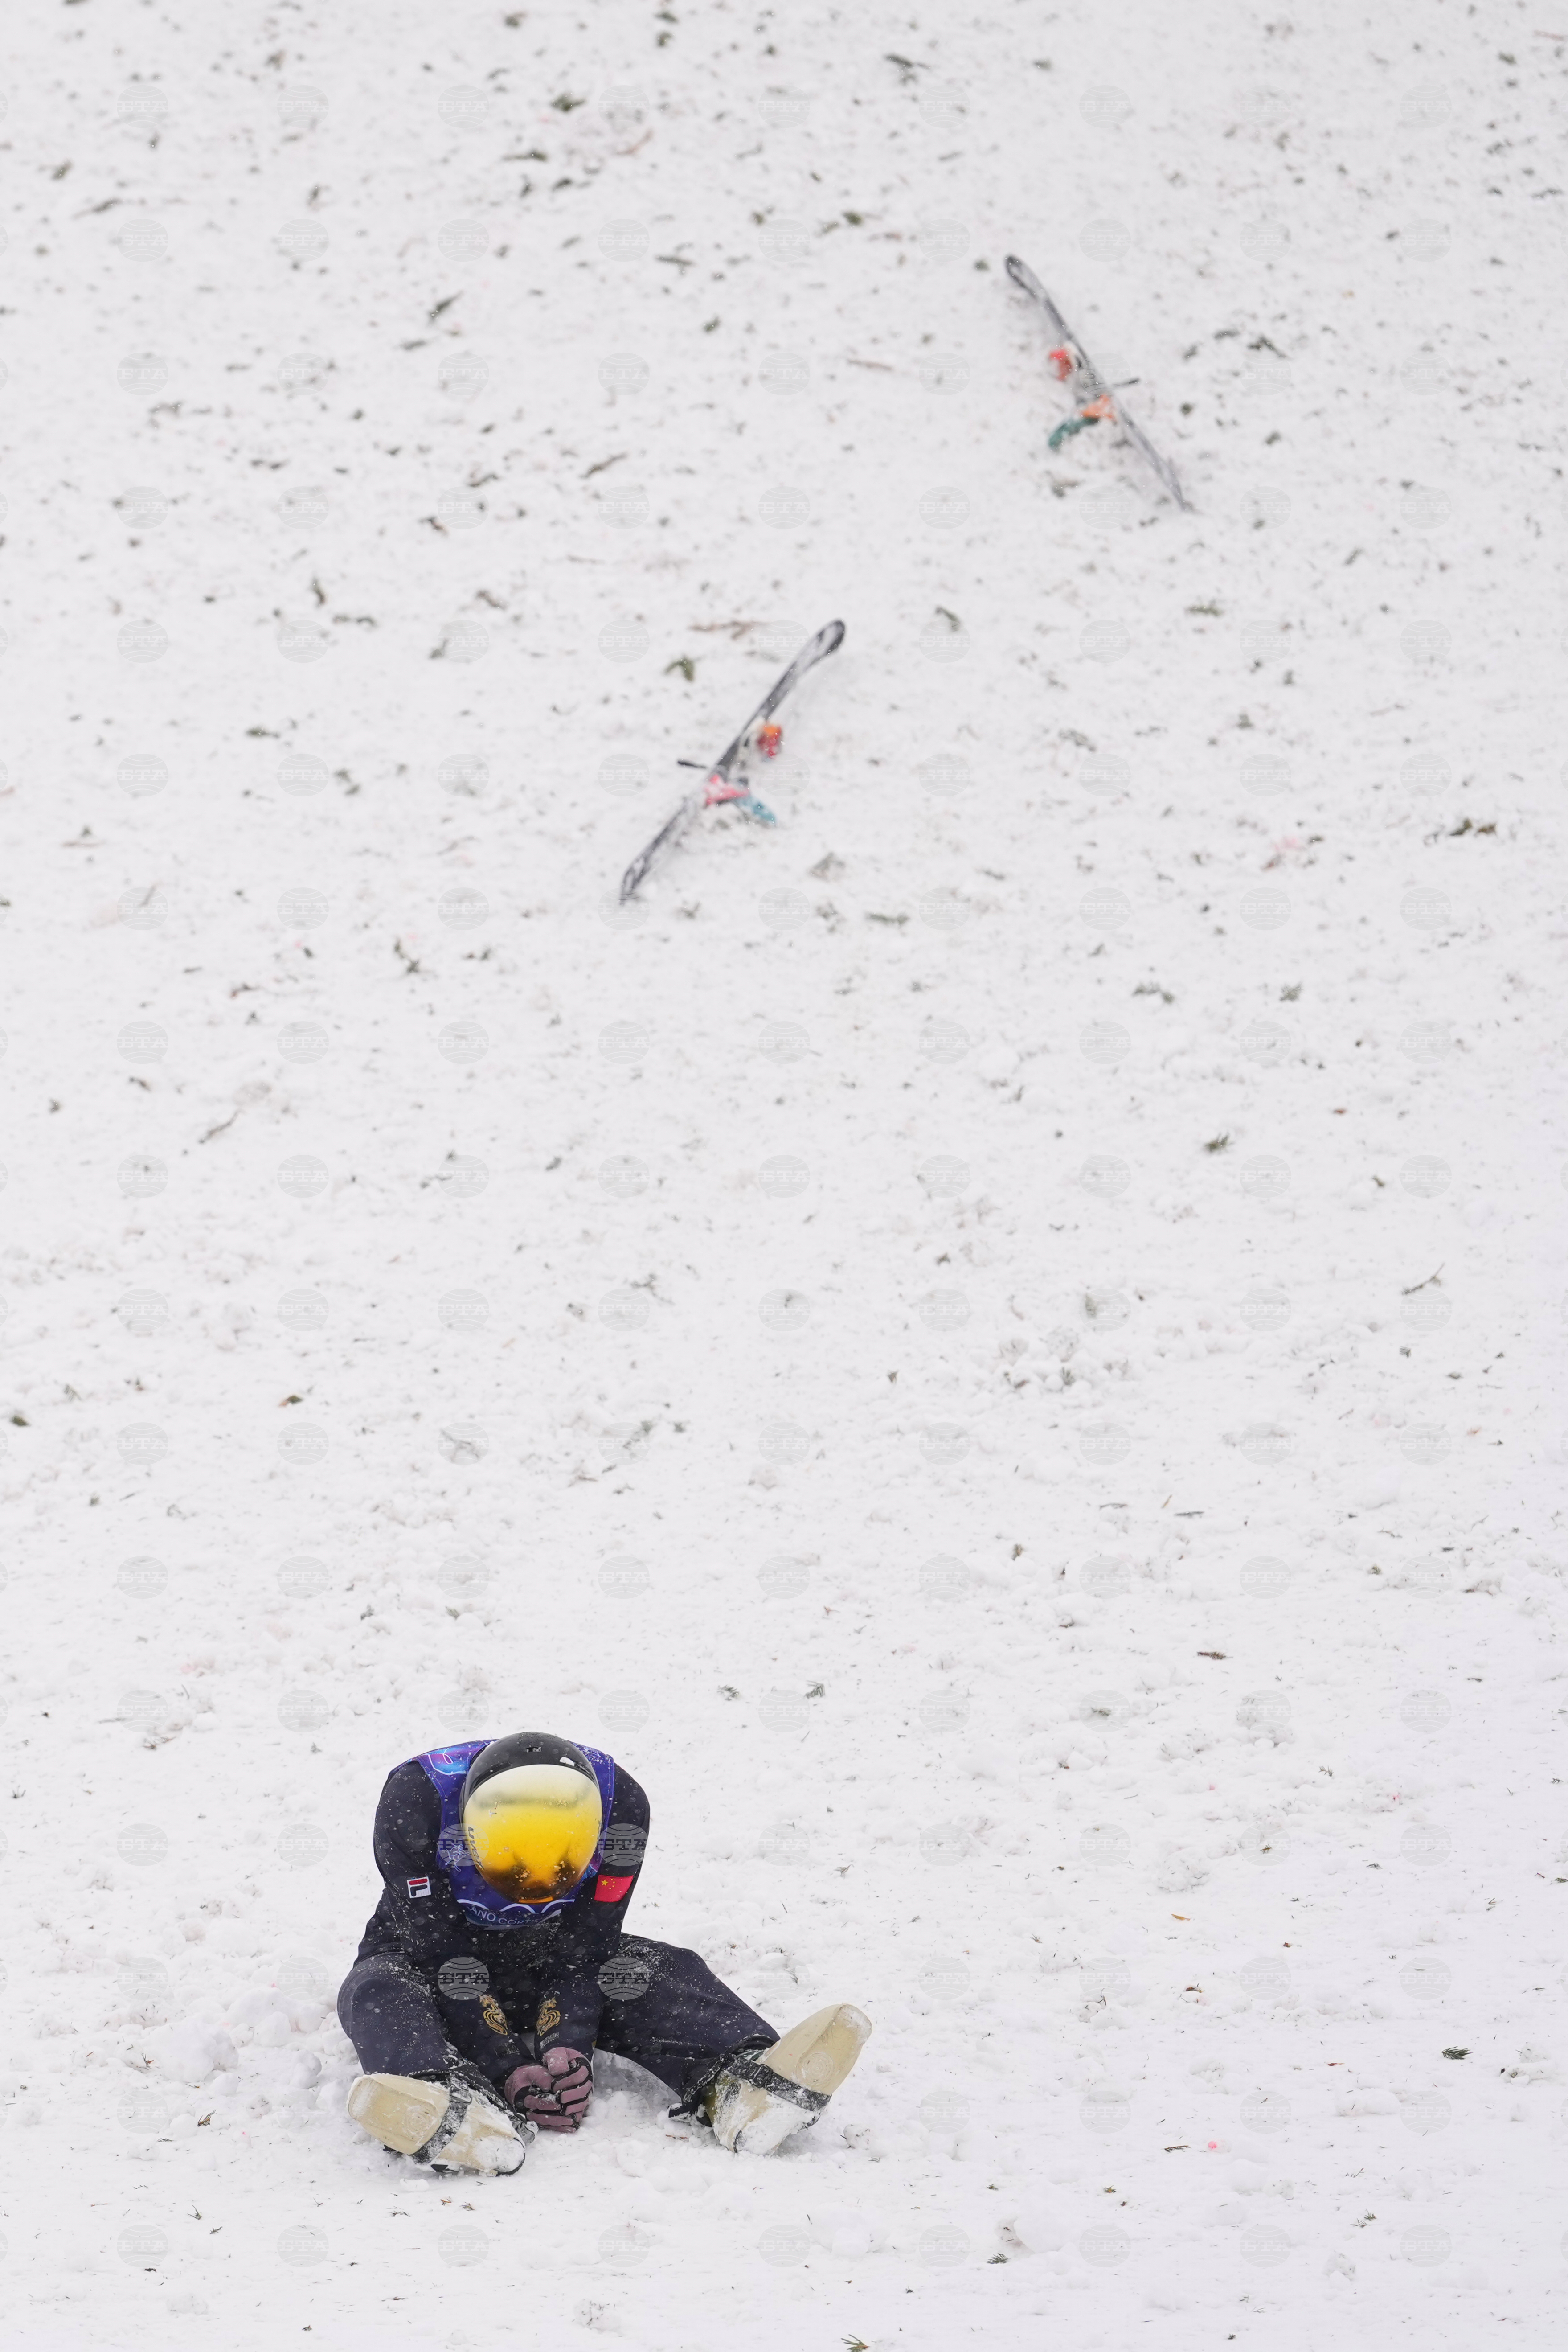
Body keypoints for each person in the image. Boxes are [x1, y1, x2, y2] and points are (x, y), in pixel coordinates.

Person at [338, 1730, 870, 2174]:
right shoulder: (416, 1801)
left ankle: (743, 2082)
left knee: (659, 1968)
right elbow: (441, 1953)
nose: (536, 1886)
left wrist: (568, 2042)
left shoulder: (624, 1810)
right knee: (378, 1989)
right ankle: (444, 2106)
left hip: (554, 1951)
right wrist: (502, 2062)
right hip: (430, 1951)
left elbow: (589, 1947)